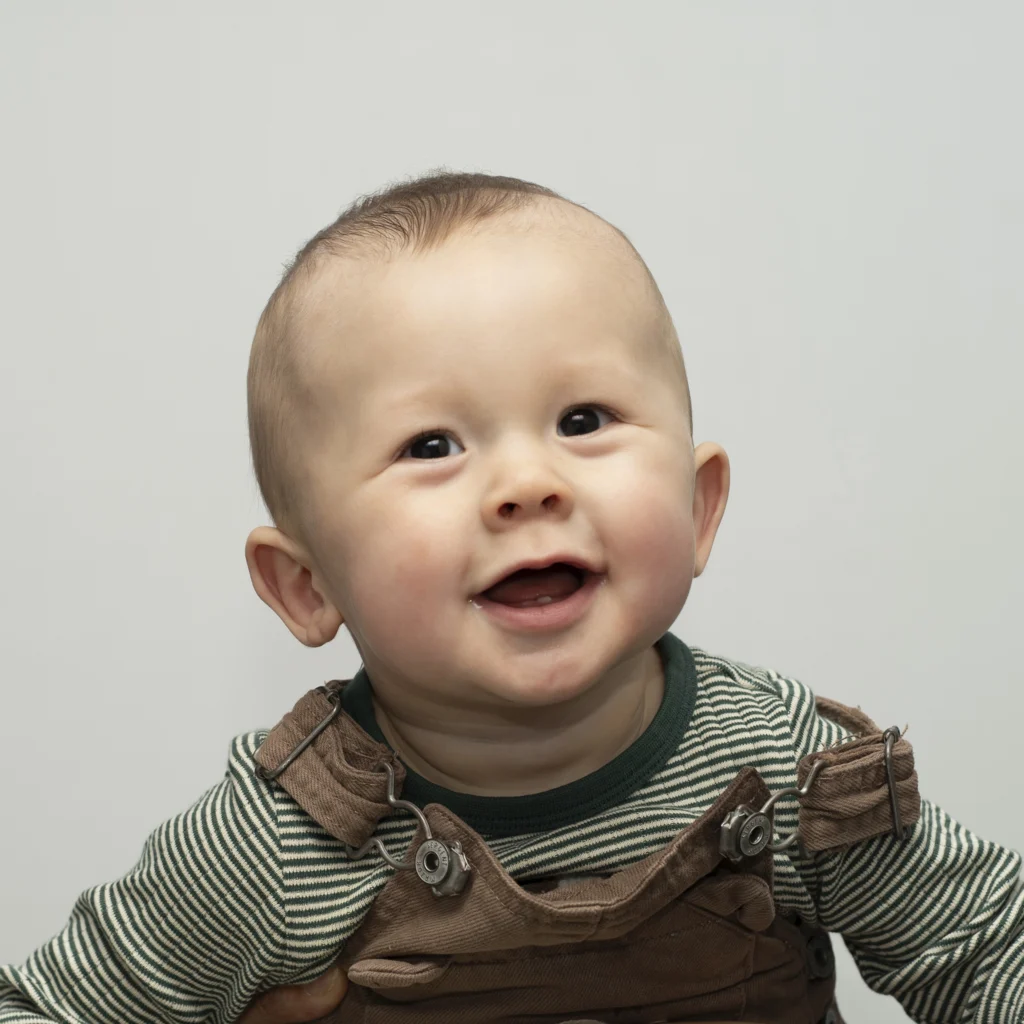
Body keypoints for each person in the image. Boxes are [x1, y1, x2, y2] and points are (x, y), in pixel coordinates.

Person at [1, 170, 1022, 1024]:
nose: (529, 483)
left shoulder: (789, 768)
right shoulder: (277, 847)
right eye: (431, 445)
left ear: (698, 505)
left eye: (584, 417)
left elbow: (988, 955)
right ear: (306, 586)